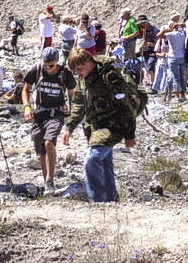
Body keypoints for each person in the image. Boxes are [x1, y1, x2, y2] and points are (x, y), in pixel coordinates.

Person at [61, 48, 138, 203]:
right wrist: (69, 128)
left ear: (88, 62)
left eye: (79, 69)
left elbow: (125, 106)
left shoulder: (110, 76)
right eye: (75, 71)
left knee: (92, 159)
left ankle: (97, 200)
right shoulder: (83, 79)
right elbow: (78, 105)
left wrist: (129, 134)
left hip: (113, 126)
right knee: (104, 162)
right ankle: (111, 200)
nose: (78, 73)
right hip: (94, 127)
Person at [22, 47, 76, 191]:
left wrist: (72, 112)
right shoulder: (37, 70)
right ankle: (46, 181)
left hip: (57, 112)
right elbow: (25, 89)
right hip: (40, 113)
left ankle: (50, 179)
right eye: (45, 65)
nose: (48, 68)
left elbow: (72, 94)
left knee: (49, 142)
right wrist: (27, 107)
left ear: (57, 61)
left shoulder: (65, 73)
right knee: (40, 147)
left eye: (50, 66)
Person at [157, 13, 188, 101]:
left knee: (175, 77)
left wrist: (166, 30)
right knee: (182, 77)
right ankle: (183, 95)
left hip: (173, 57)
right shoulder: (183, 34)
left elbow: (159, 35)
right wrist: (178, 24)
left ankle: (177, 95)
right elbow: (185, 25)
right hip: (182, 57)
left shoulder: (171, 34)